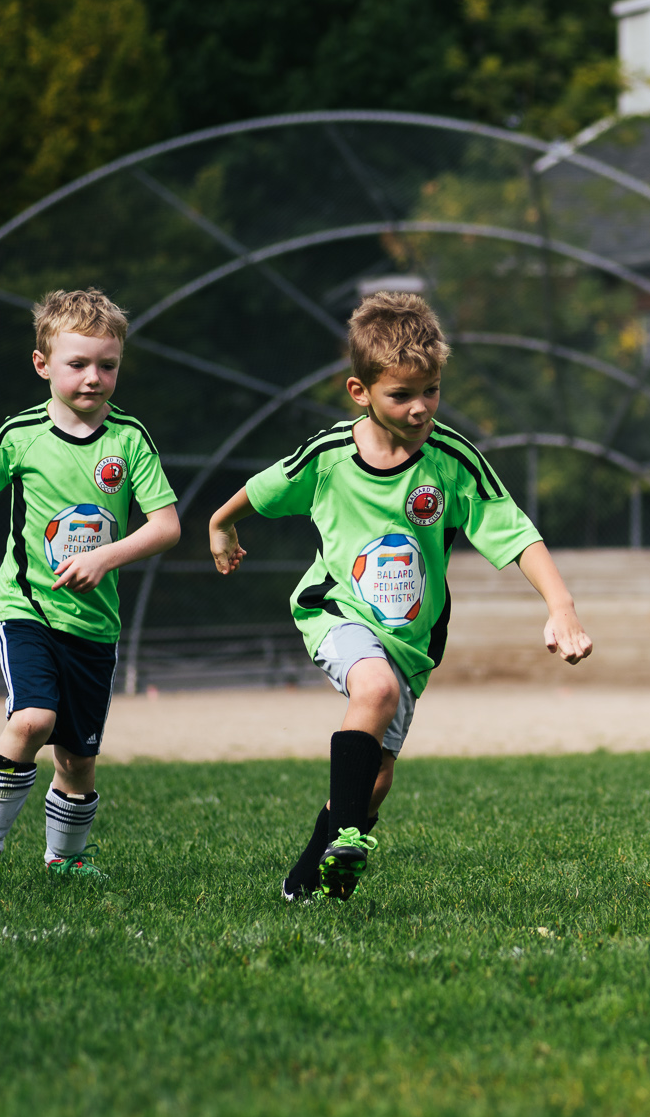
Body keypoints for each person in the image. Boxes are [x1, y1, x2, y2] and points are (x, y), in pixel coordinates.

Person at [208, 292, 593, 902]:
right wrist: (220, 524)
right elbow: (262, 488)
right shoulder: (330, 455)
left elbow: (515, 531)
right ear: (359, 391)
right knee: (375, 689)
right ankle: (347, 840)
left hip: (413, 639)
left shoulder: (451, 460)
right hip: (335, 608)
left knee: (377, 776)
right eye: (402, 395)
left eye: (432, 391)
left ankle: (315, 866)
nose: (420, 409)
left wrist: (561, 608)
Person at [0, 289, 182, 882]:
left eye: (108, 364)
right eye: (78, 363)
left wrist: (107, 558)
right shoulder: (20, 435)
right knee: (31, 720)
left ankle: (66, 858)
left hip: (94, 626)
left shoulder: (130, 440)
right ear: (42, 364)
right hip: (27, 610)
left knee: (77, 758)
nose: (94, 377)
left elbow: (168, 527)